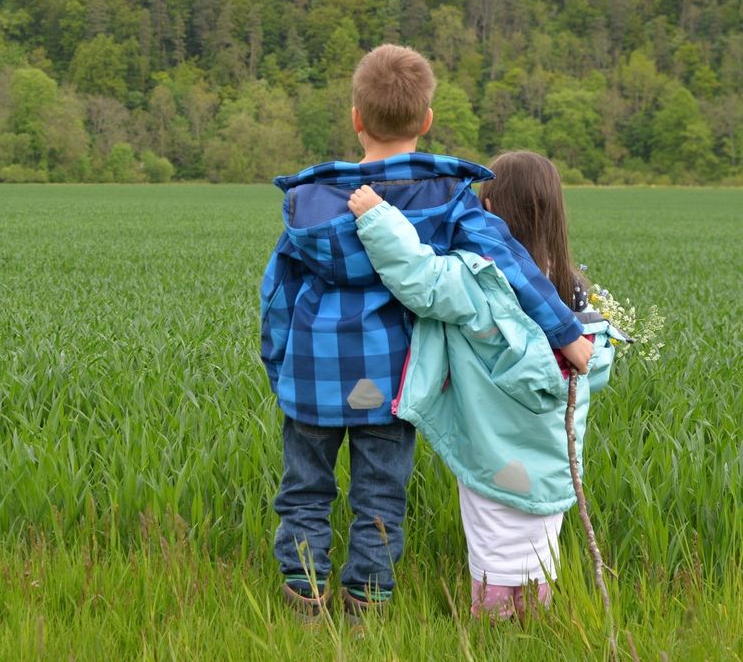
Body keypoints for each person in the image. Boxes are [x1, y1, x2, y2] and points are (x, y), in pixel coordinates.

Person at [260, 46, 593, 621]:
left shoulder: (309, 204)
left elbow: (278, 297)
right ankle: (367, 604)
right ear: (428, 121)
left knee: (304, 489)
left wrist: (279, 366)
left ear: (356, 119)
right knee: (380, 497)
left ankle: (304, 596)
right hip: (393, 379)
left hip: (312, 377)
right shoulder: (447, 199)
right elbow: (511, 265)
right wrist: (566, 332)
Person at [347, 151, 622, 621]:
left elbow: (420, 276)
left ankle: (490, 628)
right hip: (553, 456)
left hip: (492, 448)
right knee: (538, 548)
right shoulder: (574, 291)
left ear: (488, 212)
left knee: (494, 544)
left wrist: (377, 217)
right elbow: (589, 364)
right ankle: (536, 629)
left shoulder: (482, 280)